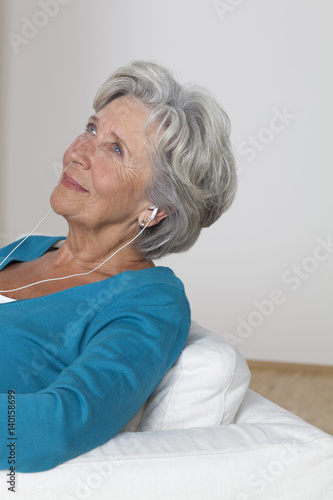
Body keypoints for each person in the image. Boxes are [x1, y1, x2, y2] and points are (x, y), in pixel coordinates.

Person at [0, 60, 237, 472]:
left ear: (155, 209)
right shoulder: (25, 248)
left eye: (115, 149)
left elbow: (59, 424)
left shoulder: (149, 303)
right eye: (91, 129)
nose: (78, 154)